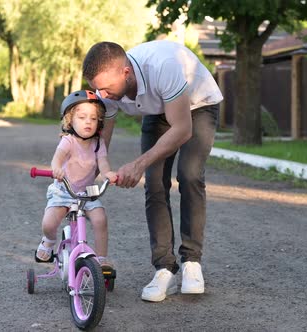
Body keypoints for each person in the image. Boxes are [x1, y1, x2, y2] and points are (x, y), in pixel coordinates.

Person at [83, 40, 223, 302]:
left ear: (125, 73)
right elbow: (104, 138)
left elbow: (182, 129)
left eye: (105, 87)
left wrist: (137, 164)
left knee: (189, 175)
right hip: (159, 108)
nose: (101, 93)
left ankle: (192, 262)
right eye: (96, 88)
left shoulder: (162, 67)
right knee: (155, 183)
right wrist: (88, 174)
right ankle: (164, 269)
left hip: (197, 105)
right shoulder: (106, 91)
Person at [34, 90, 118, 269]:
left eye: (93, 118)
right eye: (82, 117)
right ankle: (48, 241)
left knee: (100, 219)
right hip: (64, 190)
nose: (88, 121)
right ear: (70, 120)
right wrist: (56, 168)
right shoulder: (69, 141)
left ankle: (101, 259)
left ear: (99, 123)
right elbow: (58, 157)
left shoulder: (98, 143)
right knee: (49, 222)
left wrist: (107, 173)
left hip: (86, 193)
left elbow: (102, 162)